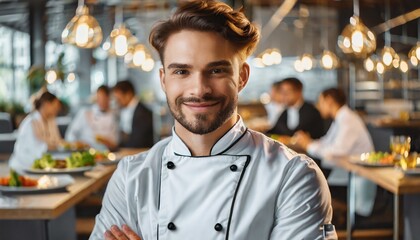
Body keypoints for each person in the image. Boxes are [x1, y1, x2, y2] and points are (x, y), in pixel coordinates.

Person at [90, 1, 335, 239]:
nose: (199, 89)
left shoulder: (293, 176)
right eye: (182, 71)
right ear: (164, 80)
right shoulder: (130, 177)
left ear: (242, 77)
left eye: (217, 70)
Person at [294, 88, 376, 216]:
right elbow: (327, 142)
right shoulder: (341, 117)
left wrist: (309, 145)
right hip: (345, 173)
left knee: (306, 183)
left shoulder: (347, 119)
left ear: (329, 101)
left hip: (356, 177)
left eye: (320, 102)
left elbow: (336, 152)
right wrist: (309, 142)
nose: (317, 106)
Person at [9, 91, 63, 171]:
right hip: (24, 166)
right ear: (46, 104)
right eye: (55, 107)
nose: (57, 110)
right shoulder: (30, 123)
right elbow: (36, 148)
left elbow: (57, 141)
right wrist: (54, 145)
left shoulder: (51, 121)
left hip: (41, 163)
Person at [65, 85, 119, 150]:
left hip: (106, 152)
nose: (101, 101)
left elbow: (115, 142)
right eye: (99, 98)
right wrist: (76, 144)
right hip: (84, 151)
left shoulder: (114, 115)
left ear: (109, 99)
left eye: (104, 98)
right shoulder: (86, 112)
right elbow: (70, 134)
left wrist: (107, 142)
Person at [112, 80, 154, 148]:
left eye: (119, 99)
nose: (118, 102)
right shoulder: (128, 110)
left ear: (128, 94)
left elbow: (138, 143)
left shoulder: (142, 113)